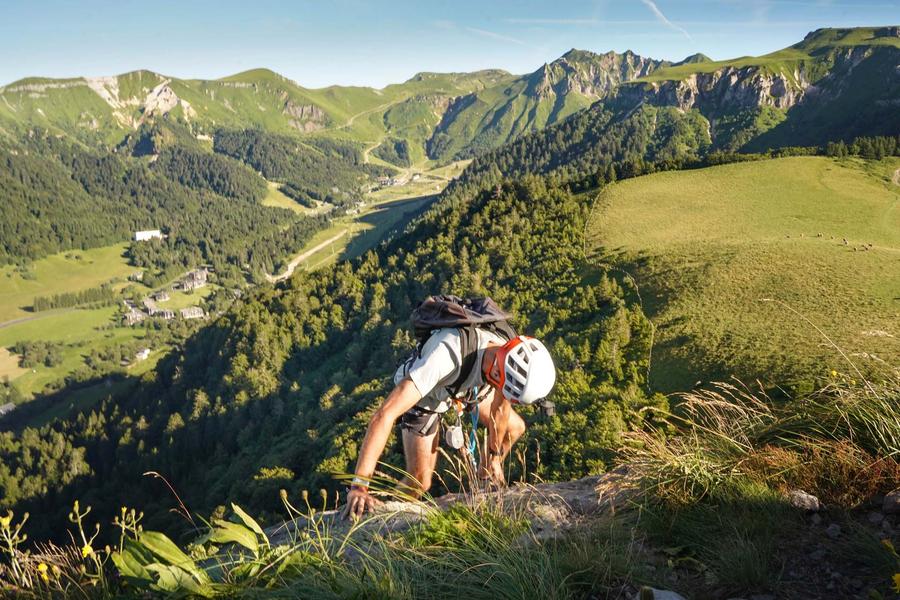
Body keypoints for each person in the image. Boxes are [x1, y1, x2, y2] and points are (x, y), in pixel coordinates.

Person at [344, 320, 556, 519]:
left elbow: (499, 412)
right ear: (499, 373)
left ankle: (484, 476)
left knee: (514, 428)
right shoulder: (445, 356)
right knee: (420, 480)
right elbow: (385, 414)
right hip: (428, 397)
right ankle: (389, 516)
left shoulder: (507, 352)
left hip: (467, 388)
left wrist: (493, 459)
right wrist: (359, 486)